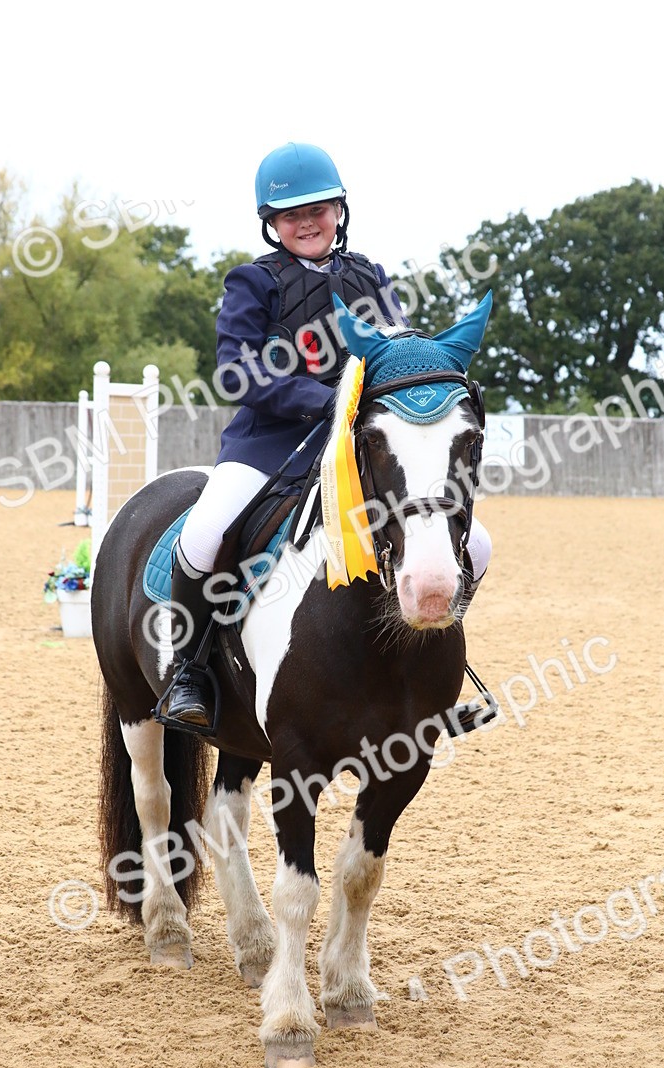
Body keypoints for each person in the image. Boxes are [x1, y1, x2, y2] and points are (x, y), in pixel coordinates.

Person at [165, 142, 492, 728]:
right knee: (206, 531)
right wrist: (323, 401)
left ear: (339, 210)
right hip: (268, 444)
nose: (307, 223)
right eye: (291, 215)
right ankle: (187, 672)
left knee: (477, 541)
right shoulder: (253, 282)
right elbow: (235, 369)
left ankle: (429, 667)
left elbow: (393, 350)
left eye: (318, 209)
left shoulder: (367, 274)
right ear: (271, 224)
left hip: (355, 445)